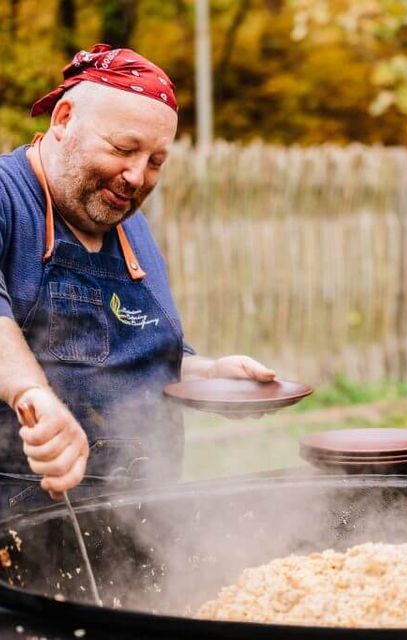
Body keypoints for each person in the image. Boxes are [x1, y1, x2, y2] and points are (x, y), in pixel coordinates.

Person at [0, 44, 275, 512]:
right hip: (24, 528)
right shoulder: (7, 197)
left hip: (147, 520)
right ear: (63, 120)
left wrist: (208, 374)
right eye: (123, 149)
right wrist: (31, 395)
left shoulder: (130, 228)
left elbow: (134, 354)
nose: (136, 176)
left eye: (155, 162)